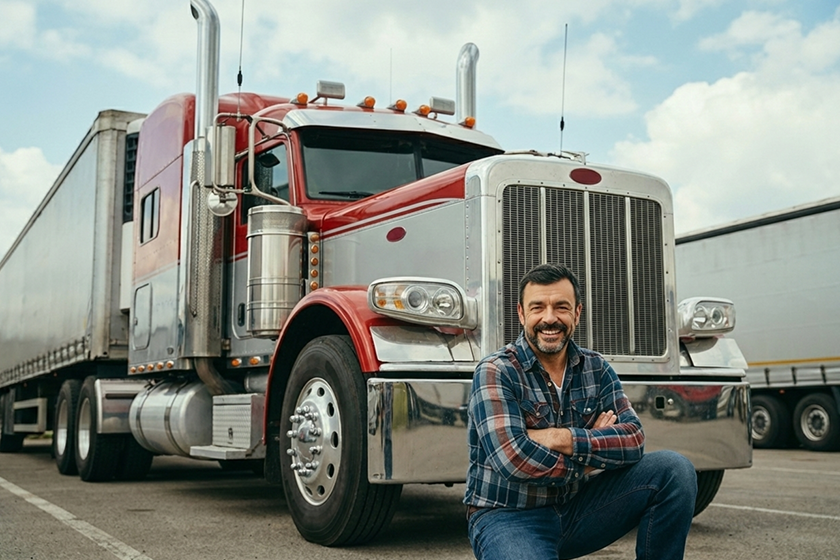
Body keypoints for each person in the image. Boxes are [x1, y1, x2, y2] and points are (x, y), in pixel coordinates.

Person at [464, 263, 697, 560]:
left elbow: (634, 440)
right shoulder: (496, 371)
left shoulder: (596, 368)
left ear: (577, 313)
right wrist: (589, 459)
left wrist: (562, 438)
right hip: (510, 516)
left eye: (561, 307)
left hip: (581, 509)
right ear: (522, 314)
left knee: (674, 470)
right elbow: (513, 459)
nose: (549, 318)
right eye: (538, 308)